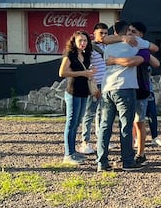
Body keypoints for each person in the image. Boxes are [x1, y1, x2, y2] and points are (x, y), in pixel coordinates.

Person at [96, 20, 152, 172]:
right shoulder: (134, 42)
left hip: (107, 87)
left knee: (105, 126)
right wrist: (138, 42)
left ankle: (101, 161)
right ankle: (127, 161)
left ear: (114, 31)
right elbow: (154, 47)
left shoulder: (108, 45)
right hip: (125, 87)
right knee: (126, 126)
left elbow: (103, 39)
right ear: (127, 31)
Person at [127, 21, 160, 166]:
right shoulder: (123, 46)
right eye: (128, 31)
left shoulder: (143, 49)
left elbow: (156, 62)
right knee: (128, 122)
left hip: (141, 89)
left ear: (141, 35)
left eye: (133, 31)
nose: (130, 34)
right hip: (126, 88)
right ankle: (129, 150)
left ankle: (140, 153)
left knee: (139, 122)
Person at [58, 31, 94, 164]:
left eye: (85, 40)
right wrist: (83, 73)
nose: (83, 43)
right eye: (80, 41)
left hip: (84, 92)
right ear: (74, 42)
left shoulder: (85, 55)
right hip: (73, 91)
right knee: (71, 122)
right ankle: (68, 154)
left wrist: (90, 73)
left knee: (78, 122)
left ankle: (73, 151)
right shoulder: (70, 55)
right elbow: (62, 72)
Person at [79, 22, 108, 155]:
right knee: (89, 113)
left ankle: (100, 139)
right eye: (101, 33)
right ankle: (85, 141)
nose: (104, 35)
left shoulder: (109, 47)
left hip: (107, 84)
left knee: (104, 114)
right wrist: (92, 80)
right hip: (96, 84)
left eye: (106, 33)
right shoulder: (90, 48)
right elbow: (86, 65)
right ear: (94, 33)